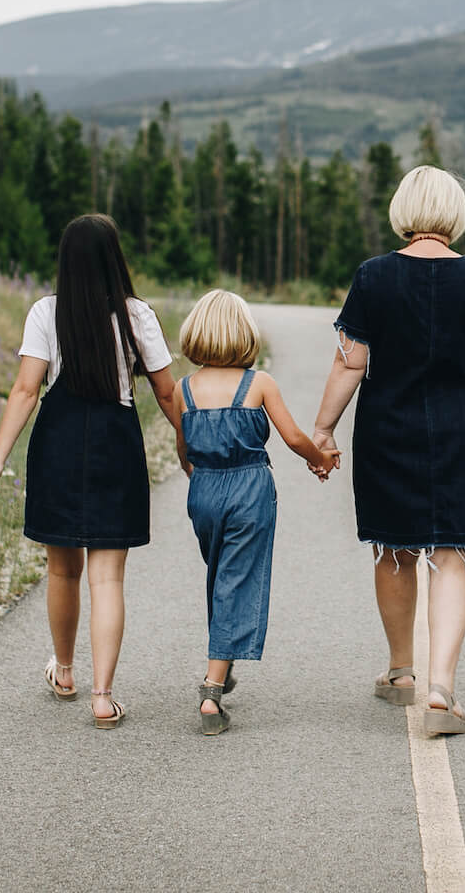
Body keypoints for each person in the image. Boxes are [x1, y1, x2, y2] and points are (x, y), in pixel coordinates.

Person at [312, 165, 465, 736]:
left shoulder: (373, 276)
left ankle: (400, 672)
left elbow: (350, 362)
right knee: (454, 553)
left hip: (390, 430)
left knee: (395, 548)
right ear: (454, 214)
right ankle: (441, 690)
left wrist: (323, 429)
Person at [0, 213, 183, 730]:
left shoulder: (46, 312)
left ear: (65, 262)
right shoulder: (138, 316)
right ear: (116, 260)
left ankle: (65, 671)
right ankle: (103, 696)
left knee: (62, 569)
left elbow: (26, 390)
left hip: (59, 444)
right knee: (108, 576)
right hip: (116, 443)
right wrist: (189, 442)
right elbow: (165, 391)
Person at [174, 289, 338, 735]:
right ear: (245, 335)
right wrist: (320, 459)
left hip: (204, 488)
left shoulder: (182, 389)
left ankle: (222, 669)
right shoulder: (259, 384)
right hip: (249, 487)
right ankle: (211, 691)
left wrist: (203, 483)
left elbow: (183, 452)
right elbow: (294, 437)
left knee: (219, 575)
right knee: (237, 578)